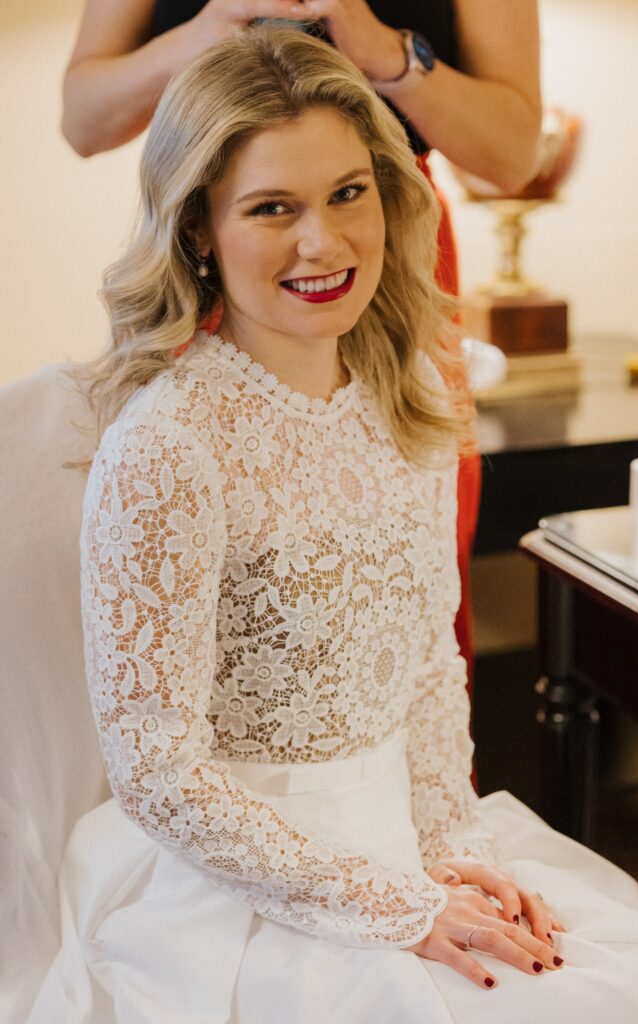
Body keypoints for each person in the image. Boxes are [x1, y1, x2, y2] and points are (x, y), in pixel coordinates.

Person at [30, 28, 638, 1024]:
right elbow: (158, 774)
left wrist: (451, 850)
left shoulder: (411, 394)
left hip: (408, 836)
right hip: (240, 881)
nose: (323, 243)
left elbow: (425, 664)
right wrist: (394, 907)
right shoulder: (166, 446)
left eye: (346, 193)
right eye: (271, 208)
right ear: (198, 228)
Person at [61, 0, 543, 692]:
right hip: (235, 252)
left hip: (386, 250)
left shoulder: (358, 235)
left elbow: (514, 155)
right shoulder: (162, 438)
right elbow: (82, 119)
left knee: (413, 594)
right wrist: (203, 36)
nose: (315, 242)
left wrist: (386, 53)